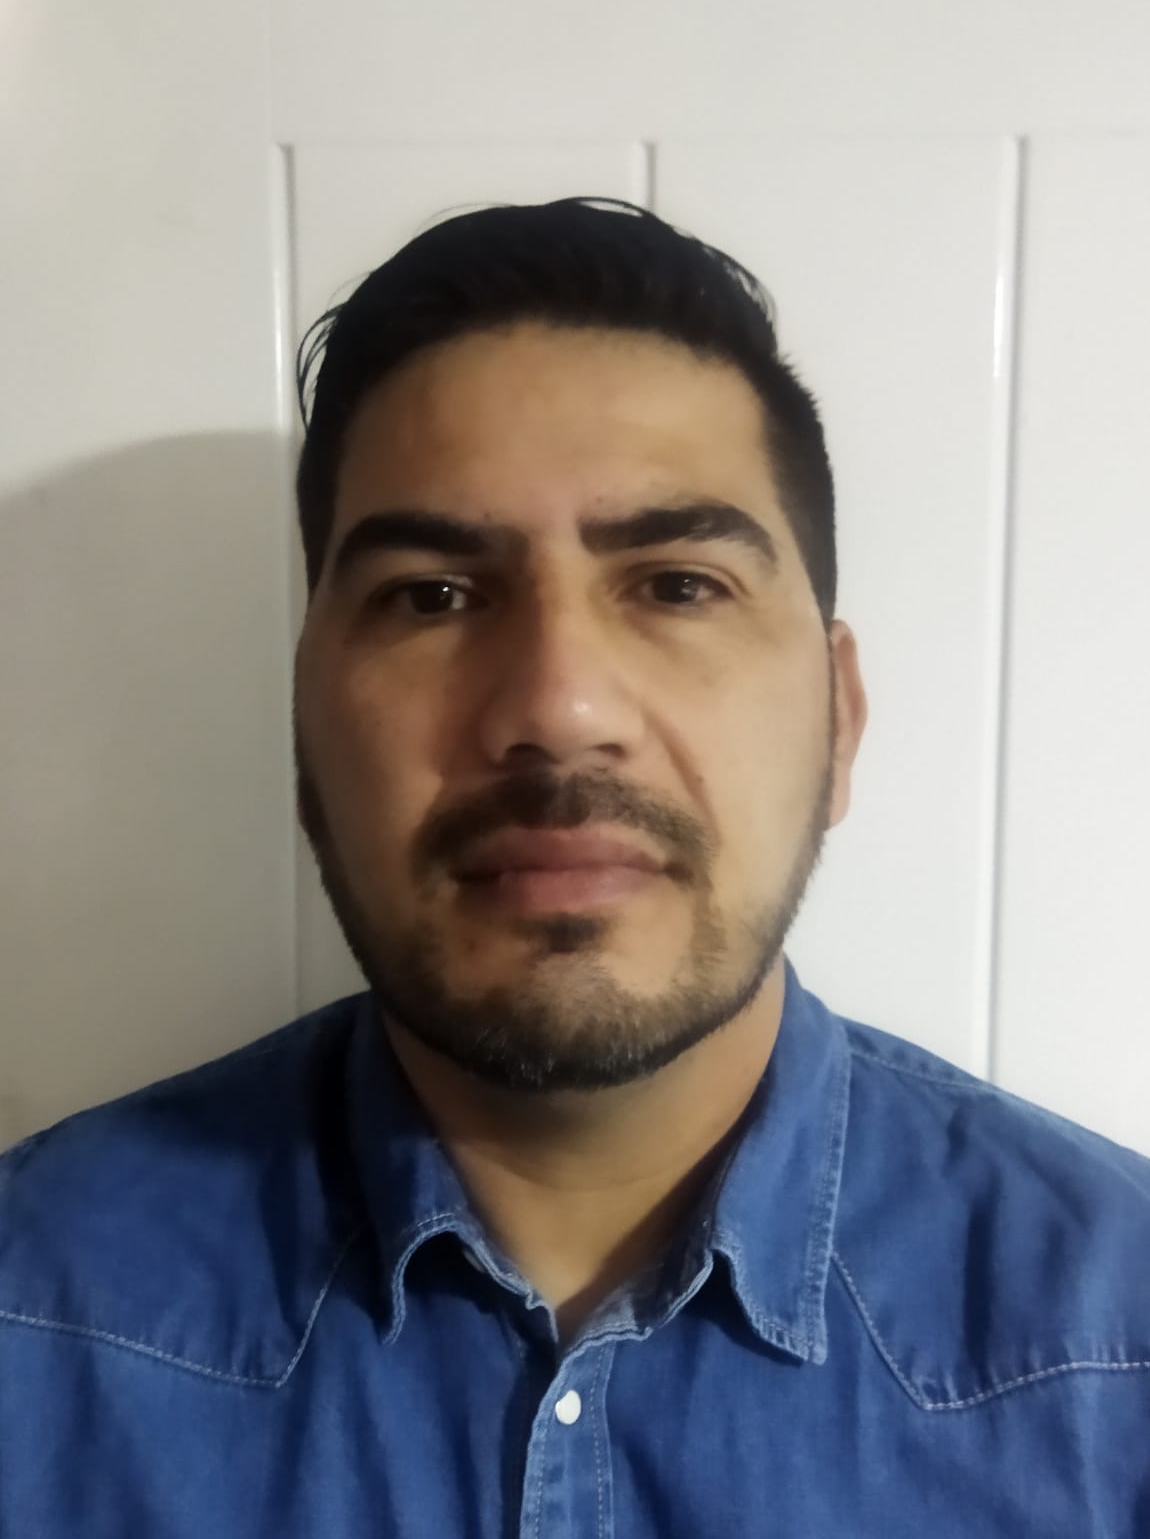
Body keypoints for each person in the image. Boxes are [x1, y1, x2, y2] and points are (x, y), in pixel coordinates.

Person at [1, 198, 1147, 1537]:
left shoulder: (1120, 1351)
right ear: (308, 735)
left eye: (677, 585)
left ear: (837, 721)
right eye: (431, 595)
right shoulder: (31, 1320)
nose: (558, 706)